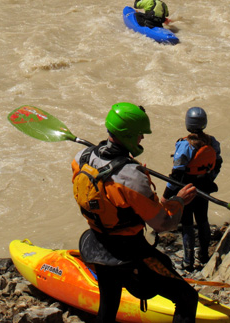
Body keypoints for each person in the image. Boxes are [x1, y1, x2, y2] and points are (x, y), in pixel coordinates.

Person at [71, 102, 199, 323]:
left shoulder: (81, 157)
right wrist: (179, 202)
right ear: (129, 135)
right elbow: (163, 223)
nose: (142, 138)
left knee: (108, 305)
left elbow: (111, 187)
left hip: (97, 243)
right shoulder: (132, 177)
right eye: (140, 134)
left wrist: (135, 172)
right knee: (187, 298)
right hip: (129, 253)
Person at [161, 107, 223, 272]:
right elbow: (217, 164)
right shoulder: (213, 142)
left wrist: (166, 195)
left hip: (186, 190)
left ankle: (188, 262)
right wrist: (209, 180)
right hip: (203, 189)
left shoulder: (184, 146)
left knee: (187, 223)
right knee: (203, 219)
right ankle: (204, 256)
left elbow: (176, 174)